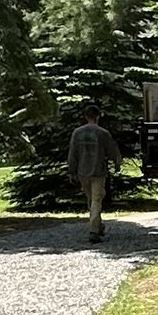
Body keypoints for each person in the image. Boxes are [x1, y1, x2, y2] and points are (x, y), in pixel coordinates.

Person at [65, 103, 118, 242]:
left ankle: (98, 226)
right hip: (98, 172)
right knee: (96, 200)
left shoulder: (77, 133)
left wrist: (71, 171)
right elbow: (112, 150)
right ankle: (94, 231)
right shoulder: (103, 133)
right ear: (98, 116)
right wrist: (117, 162)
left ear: (86, 116)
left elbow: (73, 153)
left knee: (92, 200)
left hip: (83, 172)